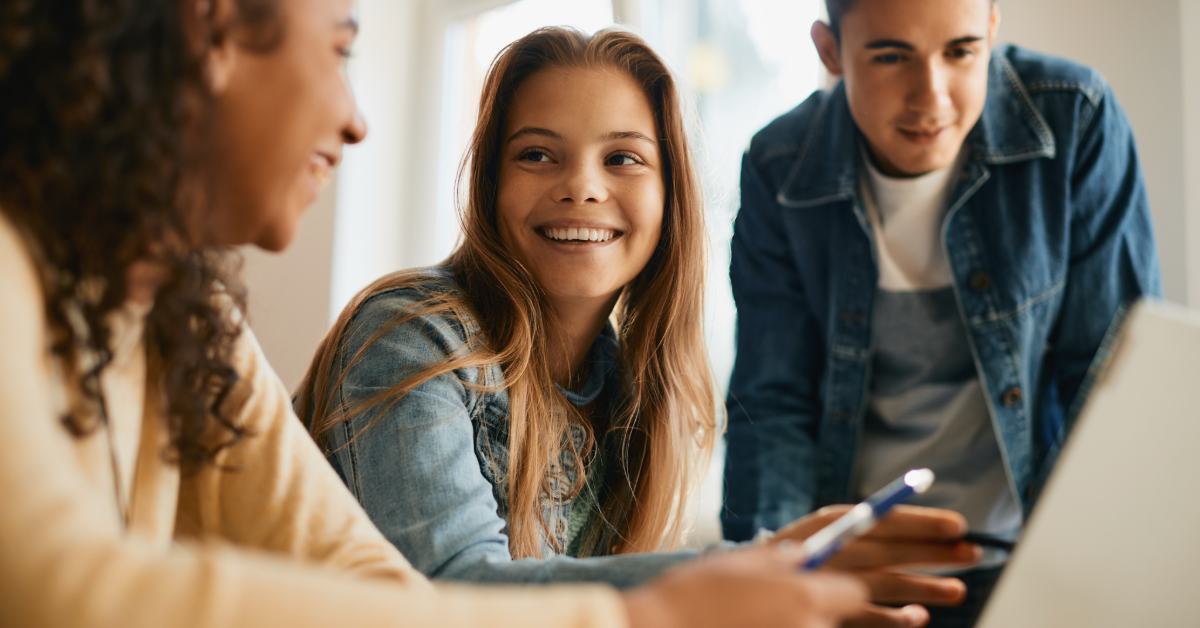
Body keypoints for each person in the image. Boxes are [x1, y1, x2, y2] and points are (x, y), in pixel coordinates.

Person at [0, 2, 873, 627]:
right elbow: (61, 590)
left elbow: (374, 583)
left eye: (623, 157)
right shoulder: (12, 267)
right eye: (341, 49)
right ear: (215, 28)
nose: (356, 119)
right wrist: (657, 610)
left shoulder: (189, 324)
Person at [297, 26, 979, 628]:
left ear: (669, 196)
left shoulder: (635, 393)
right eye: (537, 154)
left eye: (622, 158)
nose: (582, 187)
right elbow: (451, 592)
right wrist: (747, 570)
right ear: (490, 185)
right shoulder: (412, 334)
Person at [722, 0, 1162, 625]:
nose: (931, 97)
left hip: (1036, 560)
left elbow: (1110, 381)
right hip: (860, 571)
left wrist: (1117, 575)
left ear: (991, 30)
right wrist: (777, 582)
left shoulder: (1074, 118)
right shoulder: (778, 166)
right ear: (829, 51)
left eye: (959, 52)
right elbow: (773, 406)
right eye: (891, 56)